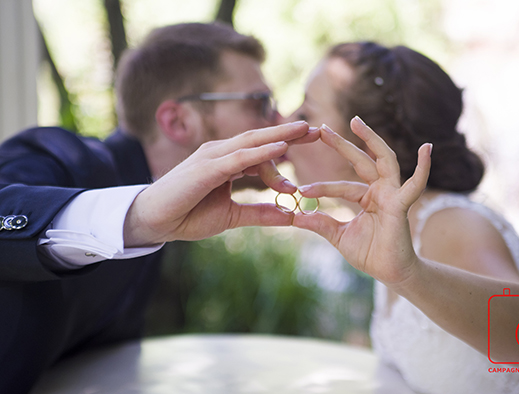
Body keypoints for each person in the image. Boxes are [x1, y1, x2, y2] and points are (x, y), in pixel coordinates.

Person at [0, 22, 317, 393]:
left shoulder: (170, 223)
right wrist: (135, 217)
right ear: (178, 121)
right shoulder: (59, 157)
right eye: (259, 103)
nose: (280, 121)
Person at [285, 42, 519, 393]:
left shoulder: (452, 223)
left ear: (366, 146)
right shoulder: (393, 229)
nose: (287, 122)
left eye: (305, 114)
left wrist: (409, 276)